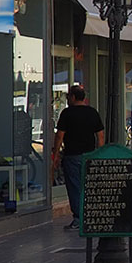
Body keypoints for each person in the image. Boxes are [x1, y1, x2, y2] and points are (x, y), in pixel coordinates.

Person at [52, 84, 105, 229]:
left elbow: (59, 136)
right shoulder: (93, 113)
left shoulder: (67, 114)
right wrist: (99, 155)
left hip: (72, 155)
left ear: (73, 97)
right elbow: (100, 136)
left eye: (68, 96)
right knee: (89, 186)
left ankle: (78, 218)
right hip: (90, 155)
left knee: (75, 187)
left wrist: (55, 154)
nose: (67, 99)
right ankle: (90, 215)